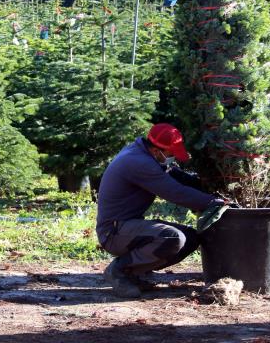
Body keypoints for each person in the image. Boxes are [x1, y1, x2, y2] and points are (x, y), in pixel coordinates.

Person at [96, 123, 224, 297]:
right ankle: (119, 271)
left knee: (191, 238)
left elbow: (172, 173)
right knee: (172, 238)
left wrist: (204, 184)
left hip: (128, 225)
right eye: (171, 154)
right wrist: (215, 202)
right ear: (157, 151)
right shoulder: (138, 162)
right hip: (114, 232)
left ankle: (135, 273)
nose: (173, 158)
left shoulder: (143, 152)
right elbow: (175, 192)